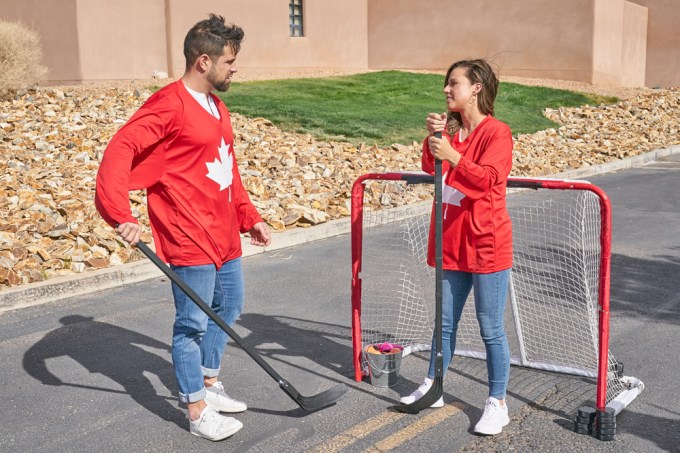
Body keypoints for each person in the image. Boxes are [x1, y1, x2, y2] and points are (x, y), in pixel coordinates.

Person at [95, 14, 271, 442]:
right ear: (204, 61)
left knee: (229, 308)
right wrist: (121, 213)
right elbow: (121, 149)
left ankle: (209, 384)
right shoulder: (168, 105)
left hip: (225, 233)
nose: (235, 68)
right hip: (188, 236)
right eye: (230, 61)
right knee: (191, 324)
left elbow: (228, 172)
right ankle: (195, 410)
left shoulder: (217, 106)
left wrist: (250, 217)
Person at [400, 59, 514, 436]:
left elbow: (488, 182)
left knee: (490, 328)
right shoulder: (451, 132)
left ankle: (497, 402)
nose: (447, 90)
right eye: (446, 85)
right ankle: (434, 386)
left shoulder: (497, 132)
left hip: (486, 244)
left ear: (476, 87)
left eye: (454, 83)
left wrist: (452, 155)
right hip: (452, 242)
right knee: (443, 322)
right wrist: (433, 141)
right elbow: (429, 165)